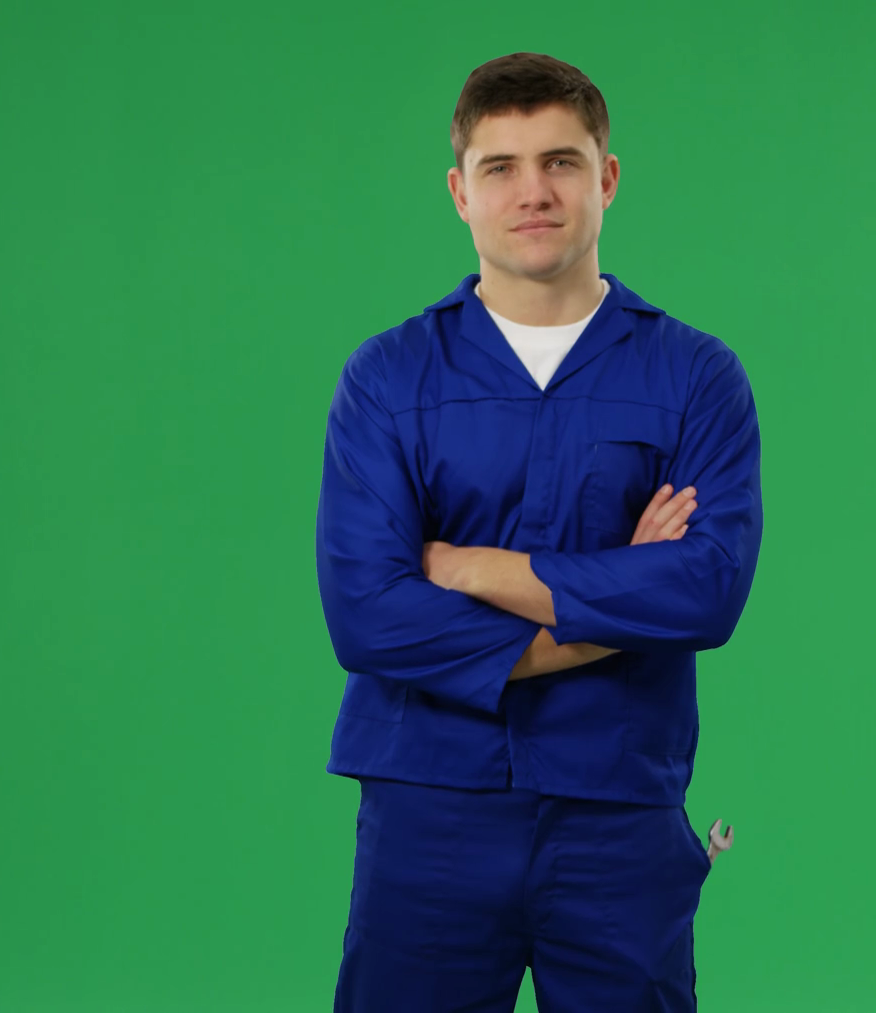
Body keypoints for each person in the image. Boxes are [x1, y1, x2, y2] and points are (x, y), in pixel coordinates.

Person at [314, 51, 763, 1012]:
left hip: (619, 809)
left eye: (561, 162)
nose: (534, 192)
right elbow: (369, 616)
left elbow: (707, 591)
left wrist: (471, 567)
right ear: (459, 192)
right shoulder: (388, 378)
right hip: (430, 808)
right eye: (501, 167)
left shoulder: (695, 376)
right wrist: (620, 596)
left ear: (607, 176)